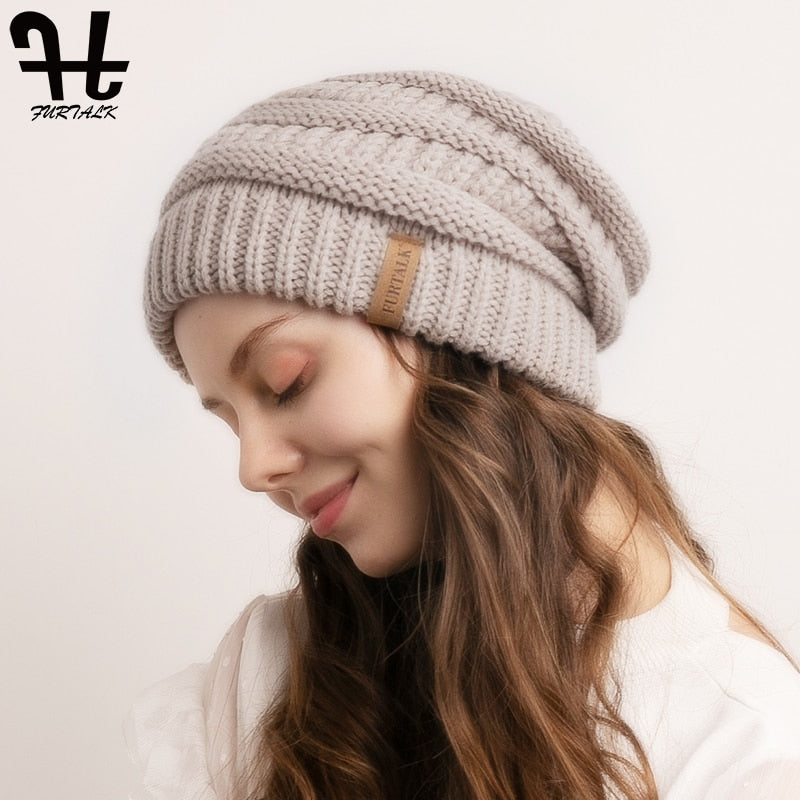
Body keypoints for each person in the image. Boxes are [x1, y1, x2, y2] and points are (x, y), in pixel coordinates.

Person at [127, 72, 800, 799]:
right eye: (229, 420)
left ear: (466, 343)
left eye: (287, 382)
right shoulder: (258, 694)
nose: (254, 467)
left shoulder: (739, 746)